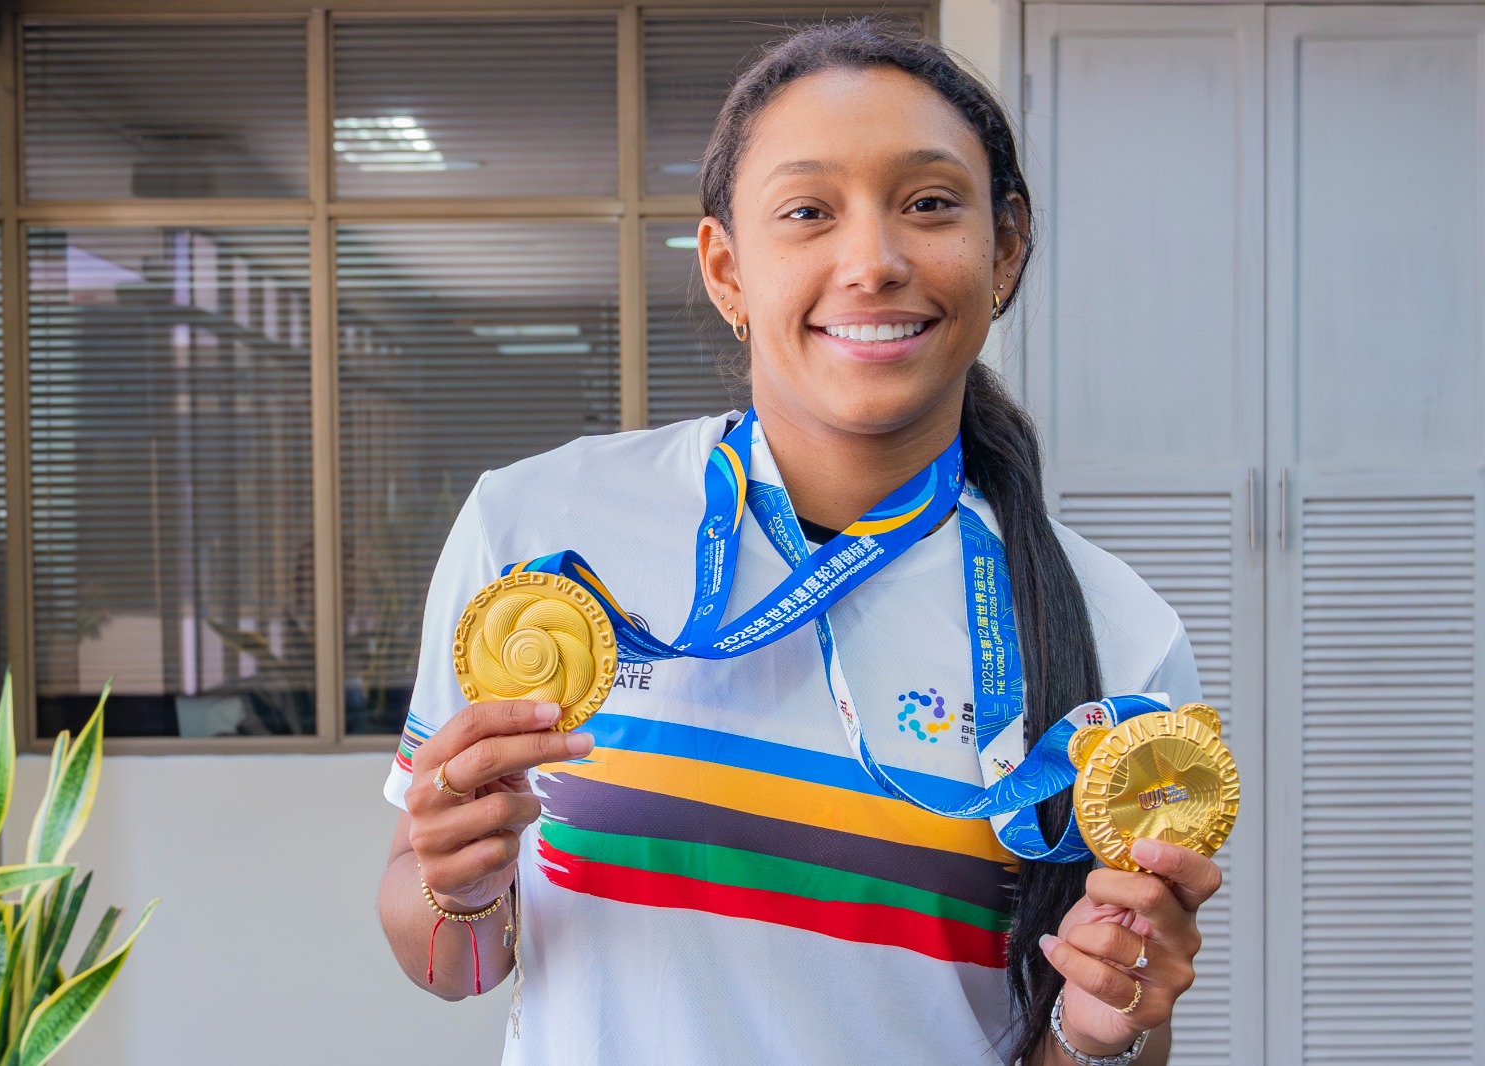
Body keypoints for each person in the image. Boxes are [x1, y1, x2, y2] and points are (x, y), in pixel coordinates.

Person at [378, 18, 1219, 1066]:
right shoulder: (540, 531)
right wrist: (455, 887)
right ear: (726, 268)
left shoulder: (1120, 641)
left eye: (928, 204)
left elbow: (1104, 1035)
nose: (872, 261)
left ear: (1004, 249)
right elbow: (451, 965)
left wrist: (1098, 1028)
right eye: (808, 211)